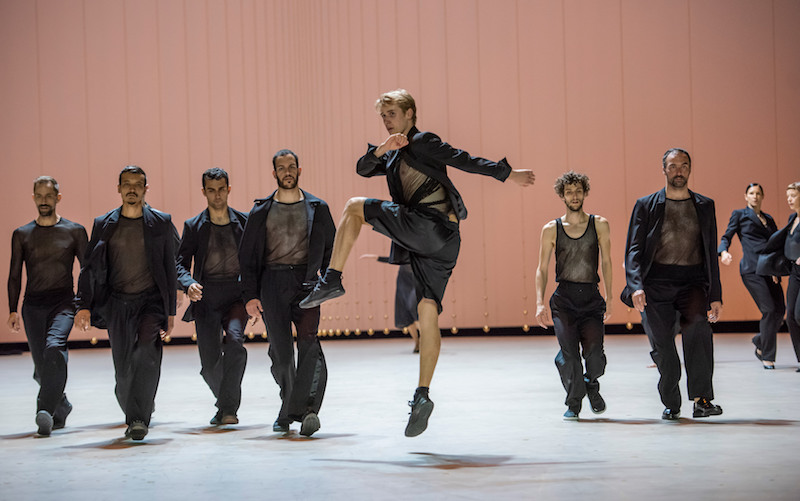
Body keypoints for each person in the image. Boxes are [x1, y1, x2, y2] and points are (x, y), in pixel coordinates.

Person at [299, 89, 536, 436]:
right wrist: (382, 148)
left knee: (353, 207)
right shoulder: (393, 152)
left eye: (392, 114)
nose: (386, 121)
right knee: (427, 311)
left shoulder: (422, 141)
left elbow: (462, 159)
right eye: (383, 116)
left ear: (410, 113)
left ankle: (332, 277)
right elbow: (363, 167)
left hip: (429, 225)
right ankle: (422, 394)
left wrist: (507, 173)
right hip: (445, 242)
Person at [75, 166, 178, 440]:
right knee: (123, 369)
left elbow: (169, 267)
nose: (132, 189)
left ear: (145, 189)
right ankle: (136, 404)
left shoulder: (161, 222)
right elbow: (89, 268)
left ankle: (138, 419)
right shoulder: (104, 224)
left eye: (137, 184)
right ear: (118, 189)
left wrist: (170, 312)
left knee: (146, 352)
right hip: (117, 303)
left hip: (150, 302)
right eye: (127, 184)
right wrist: (82, 305)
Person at [621, 148, 724, 420]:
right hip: (655, 284)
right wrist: (636, 285)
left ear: (690, 168)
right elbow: (633, 250)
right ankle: (671, 403)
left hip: (692, 282)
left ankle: (702, 400)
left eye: (684, 165)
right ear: (664, 169)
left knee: (699, 328)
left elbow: (710, 251)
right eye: (673, 165)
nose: (679, 170)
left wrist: (715, 295)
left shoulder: (705, 205)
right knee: (664, 347)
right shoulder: (646, 205)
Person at [239, 149, 335, 436]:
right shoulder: (260, 211)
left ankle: (307, 411)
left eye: (291, 166)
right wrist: (250, 295)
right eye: (281, 168)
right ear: (274, 173)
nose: (287, 171)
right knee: (281, 353)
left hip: (307, 283)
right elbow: (247, 257)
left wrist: (328, 282)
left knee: (309, 344)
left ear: (299, 170)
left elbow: (331, 248)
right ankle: (288, 406)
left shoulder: (318, 208)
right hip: (272, 283)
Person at [7, 176, 88, 436]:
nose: (44, 201)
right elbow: (14, 274)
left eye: (49, 196)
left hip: (63, 303)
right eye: (39, 196)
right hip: (32, 307)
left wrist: (85, 306)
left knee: (55, 349)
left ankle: (43, 409)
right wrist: (12, 309)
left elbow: (87, 271)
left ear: (58, 198)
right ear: (33, 198)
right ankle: (61, 407)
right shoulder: (22, 234)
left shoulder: (74, 231)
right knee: (42, 368)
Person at [535, 171, 612, 420]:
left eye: (578, 191)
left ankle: (591, 382)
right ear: (562, 195)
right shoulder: (551, 229)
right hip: (564, 301)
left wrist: (610, 297)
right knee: (570, 356)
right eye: (569, 192)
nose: (574, 196)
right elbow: (542, 268)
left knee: (595, 356)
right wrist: (539, 303)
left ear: (585, 192)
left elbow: (607, 262)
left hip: (591, 299)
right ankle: (574, 402)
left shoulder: (599, 224)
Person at [176, 168, 249, 425]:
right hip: (205, 298)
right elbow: (180, 264)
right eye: (211, 190)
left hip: (236, 297)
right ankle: (225, 405)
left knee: (235, 343)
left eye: (221, 189)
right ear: (204, 192)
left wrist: (255, 296)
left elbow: (255, 261)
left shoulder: (245, 222)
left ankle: (228, 409)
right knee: (209, 364)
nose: (217, 195)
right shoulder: (194, 226)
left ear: (228, 189)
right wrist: (188, 284)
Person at [718, 183, 784, 369]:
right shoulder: (740, 215)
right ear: (746, 196)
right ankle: (767, 356)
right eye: (751, 193)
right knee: (769, 310)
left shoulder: (768, 219)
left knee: (780, 311)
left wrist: (777, 270)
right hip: (751, 270)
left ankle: (760, 340)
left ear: (762, 196)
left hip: (770, 269)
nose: (755, 196)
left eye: (758, 193)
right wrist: (723, 252)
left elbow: (776, 244)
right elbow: (726, 237)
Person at [759, 181, 800, 371]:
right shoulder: (793, 217)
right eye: (788, 196)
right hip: (794, 272)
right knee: (790, 317)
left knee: (799, 315)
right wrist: (775, 269)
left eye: (793, 195)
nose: (789, 199)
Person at [360, 254, 420, 353]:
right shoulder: (404, 249)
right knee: (405, 313)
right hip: (403, 281)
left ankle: (425, 340)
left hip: (417, 280)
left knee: (414, 309)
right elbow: (393, 259)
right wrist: (375, 257)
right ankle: (417, 342)